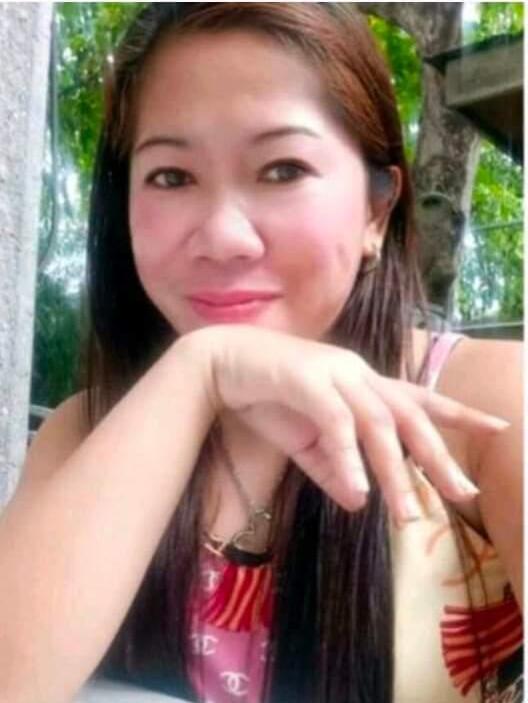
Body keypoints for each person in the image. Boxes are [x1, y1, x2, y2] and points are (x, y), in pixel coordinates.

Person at [0, 4, 522, 703]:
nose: (224, 236)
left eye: (282, 169)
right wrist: (201, 371)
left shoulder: (487, 409)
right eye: (171, 176)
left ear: (376, 210)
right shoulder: (86, 432)